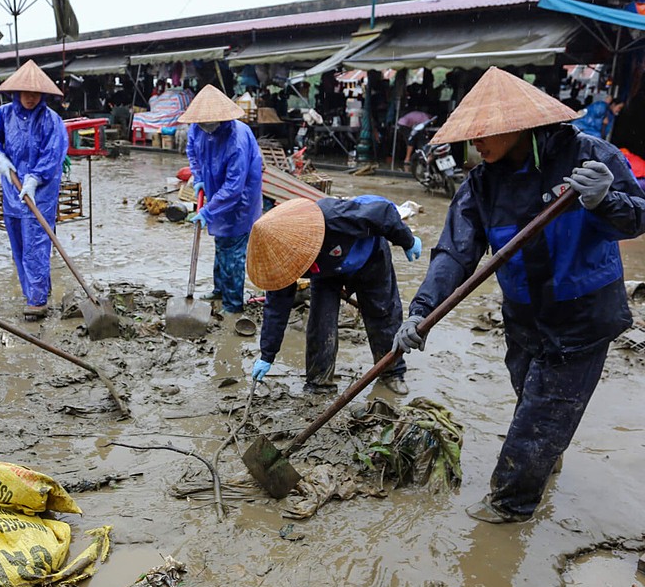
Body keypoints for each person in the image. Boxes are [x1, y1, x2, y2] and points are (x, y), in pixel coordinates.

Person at [392, 67, 645, 523]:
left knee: (535, 426)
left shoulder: (589, 156)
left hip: (583, 319)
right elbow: (454, 252)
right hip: (525, 320)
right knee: (530, 402)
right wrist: (420, 311)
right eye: (473, 135)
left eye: (487, 133)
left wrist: (606, 199)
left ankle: (510, 507)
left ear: (520, 124)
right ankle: (546, 457)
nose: (477, 144)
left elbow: (638, 219)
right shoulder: (481, 185)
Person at [247, 196, 422, 396]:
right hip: (326, 272)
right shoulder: (284, 259)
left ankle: (392, 372)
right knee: (321, 322)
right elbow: (276, 307)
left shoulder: (332, 216)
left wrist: (407, 241)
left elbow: (384, 213)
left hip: (369, 258)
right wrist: (267, 354)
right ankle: (319, 383)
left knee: (382, 313)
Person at [0, 60, 68, 321]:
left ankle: (37, 300)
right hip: (12, 191)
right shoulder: (3, 115)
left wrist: (34, 179)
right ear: (16, 92)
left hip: (39, 194)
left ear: (42, 95)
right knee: (19, 246)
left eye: (35, 93)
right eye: (26, 93)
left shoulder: (51, 120)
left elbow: (53, 154)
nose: (30, 98)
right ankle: (33, 290)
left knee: (36, 244)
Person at [179, 84, 263, 314]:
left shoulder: (236, 141)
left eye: (209, 122)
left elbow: (234, 188)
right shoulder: (198, 129)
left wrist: (207, 211)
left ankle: (233, 305)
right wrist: (198, 177)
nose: (205, 126)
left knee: (233, 251)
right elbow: (192, 152)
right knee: (220, 243)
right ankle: (219, 290)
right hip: (215, 190)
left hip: (241, 201)